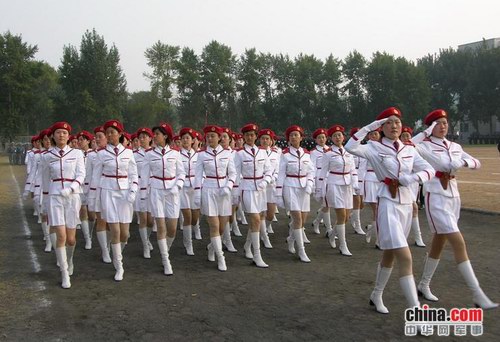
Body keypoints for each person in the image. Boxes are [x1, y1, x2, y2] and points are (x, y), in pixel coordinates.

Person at [345, 107, 434, 314]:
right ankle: (416, 311)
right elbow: (350, 146)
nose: (394, 126)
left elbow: (429, 169)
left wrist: (413, 178)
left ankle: (376, 294)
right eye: (389, 122)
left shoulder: (409, 148)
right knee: (405, 256)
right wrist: (370, 127)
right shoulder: (374, 147)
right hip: (388, 203)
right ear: (381, 127)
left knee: (390, 254)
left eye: (397, 122)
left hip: (406, 203)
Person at [412, 109, 498, 309]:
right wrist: (426, 132)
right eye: (438, 123)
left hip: (453, 196)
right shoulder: (424, 146)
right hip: (436, 197)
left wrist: (463, 161)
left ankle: (423, 284)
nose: (443, 126)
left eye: (445, 123)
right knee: (458, 243)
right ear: (431, 127)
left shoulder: (455, 146)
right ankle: (477, 294)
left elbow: (477, 163)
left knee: (438, 242)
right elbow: (410, 144)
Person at [90, 120, 138, 281]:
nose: (110, 135)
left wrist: (133, 191)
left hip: (124, 193)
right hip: (108, 192)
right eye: (107, 132)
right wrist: (93, 200)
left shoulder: (128, 153)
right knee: (115, 231)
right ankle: (119, 266)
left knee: (125, 234)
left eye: (113, 132)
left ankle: (116, 251)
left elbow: (134, 175)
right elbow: (95, 178)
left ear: (120, 133)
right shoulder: (101, 154)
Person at [41, 122, 85, 289]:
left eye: (65, 133)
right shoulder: (47, 156)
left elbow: (81, 175)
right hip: (55, 196)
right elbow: (45, 180)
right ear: (53, 136)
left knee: (71, 239)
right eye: (58, 133)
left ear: (68, 136)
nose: (61, 135)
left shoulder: (77, 153)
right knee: (61, 236)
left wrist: (72, 188)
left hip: (72, 196)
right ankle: (64, 272)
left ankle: (70, 259)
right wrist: (45, 202)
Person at [141, 123, 185, 275]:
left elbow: (181, 174)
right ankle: (166, 260)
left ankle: (165, 250)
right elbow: (145, 176)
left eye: (158, 134)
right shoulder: (149, 154)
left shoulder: (175, 154)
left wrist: (177, 186)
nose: (155, 136)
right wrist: (142, 194)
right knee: (161, 226)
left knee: (172, 227)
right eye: (154, 134)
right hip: (156, 191)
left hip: (172, 192)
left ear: (165, 136)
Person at [193, 125, 237, 271]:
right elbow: (198, 176)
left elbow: (233, 173)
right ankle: (221, 257)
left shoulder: (227, 154)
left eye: (213, 136)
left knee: (222, 226)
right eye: (208, 136)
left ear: (219, 137)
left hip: (224, 191)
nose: (210, 138)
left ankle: (212, 247)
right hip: (209, 190)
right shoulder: (201, 155)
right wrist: (198, 194)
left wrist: (228, 186)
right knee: (214, 225)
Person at [234, 124, 273, 268]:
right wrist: (235, 194)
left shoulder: (262, 153)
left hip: (261, 189)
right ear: (243, 137)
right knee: (256, 219)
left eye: (252, 134)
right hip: (247, 188)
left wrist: (266, 181)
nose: (250, 137)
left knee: (258, 219)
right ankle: (257, 255)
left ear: (256, 136)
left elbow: (269, 170)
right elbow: (236, 174)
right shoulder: (239, 154)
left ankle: (247, 245)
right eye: (247, 135)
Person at [275, 125, 315, 263]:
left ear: (301, 137)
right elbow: (280, 174)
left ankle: (291, 239)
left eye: (296, 135)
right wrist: (279, 194)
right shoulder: (284, 154)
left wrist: (310, 183)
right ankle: (301, 250)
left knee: (303, 220)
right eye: (291, 135)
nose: (294, 137)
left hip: (304, 188)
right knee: (297, 218)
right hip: (290, 187)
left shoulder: (306, 153)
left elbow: (311, 171)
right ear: (288, 138)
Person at [317, 124, 358, 256]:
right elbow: (322, 173)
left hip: (347, 185)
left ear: (343, 137)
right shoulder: (328, 154)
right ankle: (343, 245)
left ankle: (332, 234)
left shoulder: (348, 152)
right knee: (341, 215)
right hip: (334, 184)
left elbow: (353, 169)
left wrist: (355, 183)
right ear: (331, 138)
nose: (337, 137)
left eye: (339, 135)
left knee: (345, 217)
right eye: (334, 136)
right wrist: (319, 190)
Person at [87, 126, 112, 263]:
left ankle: (108, 245)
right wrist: (91, 194)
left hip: (112, 190)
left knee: (111, 222)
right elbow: (90, 176)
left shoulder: (113, 153)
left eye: (100, 136)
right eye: (95, 137)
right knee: (101, 220)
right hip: (98, 190)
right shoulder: (93, 155)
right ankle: (104, 250)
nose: (97, 139)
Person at [399, 126, 426, 248]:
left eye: (407, 135)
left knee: (411, 209)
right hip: (402, 183)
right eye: (403, 135)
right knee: (413, 208)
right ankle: (417, 237)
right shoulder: (397, 149)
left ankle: (373, 228)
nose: (405, 137)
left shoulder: (414, 148)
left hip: (413, 182)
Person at [178, 127, 200, 256]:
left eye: (188, 138)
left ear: (192, 140)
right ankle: (188, 243)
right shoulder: (177, 155)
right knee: (187, 216)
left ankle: (194, 230)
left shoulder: (198, 155)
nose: (185, 140)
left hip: (195, 187)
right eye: (183, 138)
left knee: (195, 217)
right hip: (183, 188)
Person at [134, 127, 155, 259]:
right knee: (143, 218)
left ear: (150, 138)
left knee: (151, 220)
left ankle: (147, 239)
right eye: (140, 137)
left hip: (153, 187)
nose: (142, 139)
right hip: (140, 187)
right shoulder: (134, 154)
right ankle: (145, 245)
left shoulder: (155, 153)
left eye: (144, 137)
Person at [258, 129, 280, 235]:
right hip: (260, 186)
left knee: (270, 214)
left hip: (271, 186)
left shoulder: (275, 154)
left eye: (267, 139)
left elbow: (278, 170)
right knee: (261, 213)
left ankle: (266, 227)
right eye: (263, 138)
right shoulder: (256, 153)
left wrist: (273, 178)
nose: (265, 141)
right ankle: (263, 234)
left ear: (271, 141)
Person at [219, 127, 238, 253]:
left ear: (231, 139)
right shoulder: (216, 153)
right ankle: (225, 240)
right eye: (222, 137)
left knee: (229, 214)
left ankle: (224, 239)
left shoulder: (235, 153)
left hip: (233, 185)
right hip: (219, 186)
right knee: (222, 215)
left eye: (226, 137)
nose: (223, 139)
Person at [309, 128, 331, 236]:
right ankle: (329, 229)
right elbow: (311, 167)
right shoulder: (313, 152)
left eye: (323, 137)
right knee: (325, 203)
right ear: (316, 140)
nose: (322, 139)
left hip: (330, 178)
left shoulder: (331, 150)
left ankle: (317, 221)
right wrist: (313, 182)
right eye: (319, 138)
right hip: (319, 178)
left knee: (327, 203)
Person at [77, 130, 95, 250]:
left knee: (92, 215)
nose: (80, 141)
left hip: (92, 187)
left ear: (88, 141)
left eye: (82, 139)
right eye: (79, 139)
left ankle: (91, 232)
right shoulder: (75, 154)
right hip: (80, 187)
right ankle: (87, 238)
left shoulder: (94, 154)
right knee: (83, 212)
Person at [348, 127, 365, 235]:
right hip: (352, 178)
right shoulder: (348, 149)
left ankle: (351, 215)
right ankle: (357, 226)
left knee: (361, 203)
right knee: (357, 200)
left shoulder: (365, 148)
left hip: (363, 177)